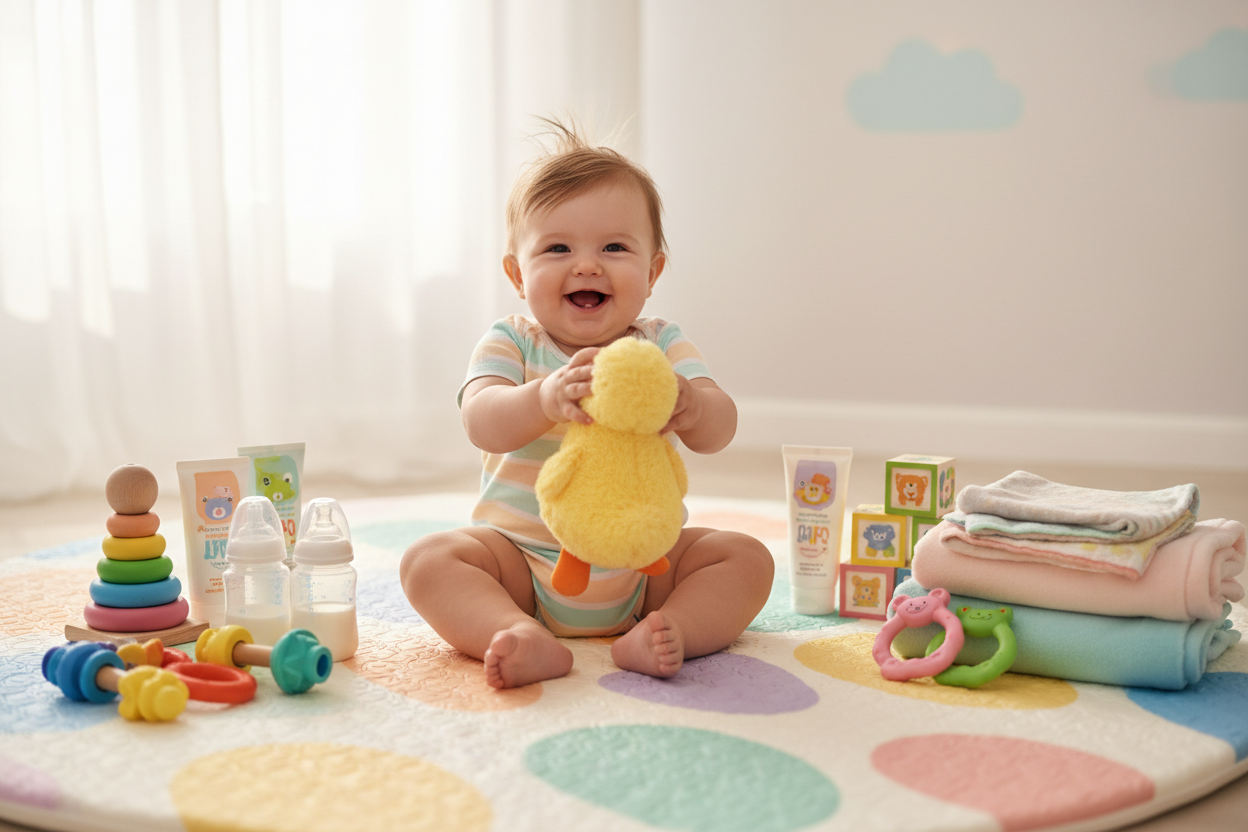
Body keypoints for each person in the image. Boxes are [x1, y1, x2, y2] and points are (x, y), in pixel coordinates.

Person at [399, 118, 773, 689]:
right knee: (429, 560)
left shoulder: (660, 346)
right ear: (517, 274)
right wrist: (544, 398)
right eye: (557, 248)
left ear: (652, 273)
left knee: (746, 558)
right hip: (520, 563)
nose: (587, 265)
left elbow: (720, 427)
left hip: (647, 566)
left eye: (614, 247)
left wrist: (691, 405)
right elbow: (481, 420)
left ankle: (667, 630)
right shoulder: (513, 341)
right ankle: (517, 632)